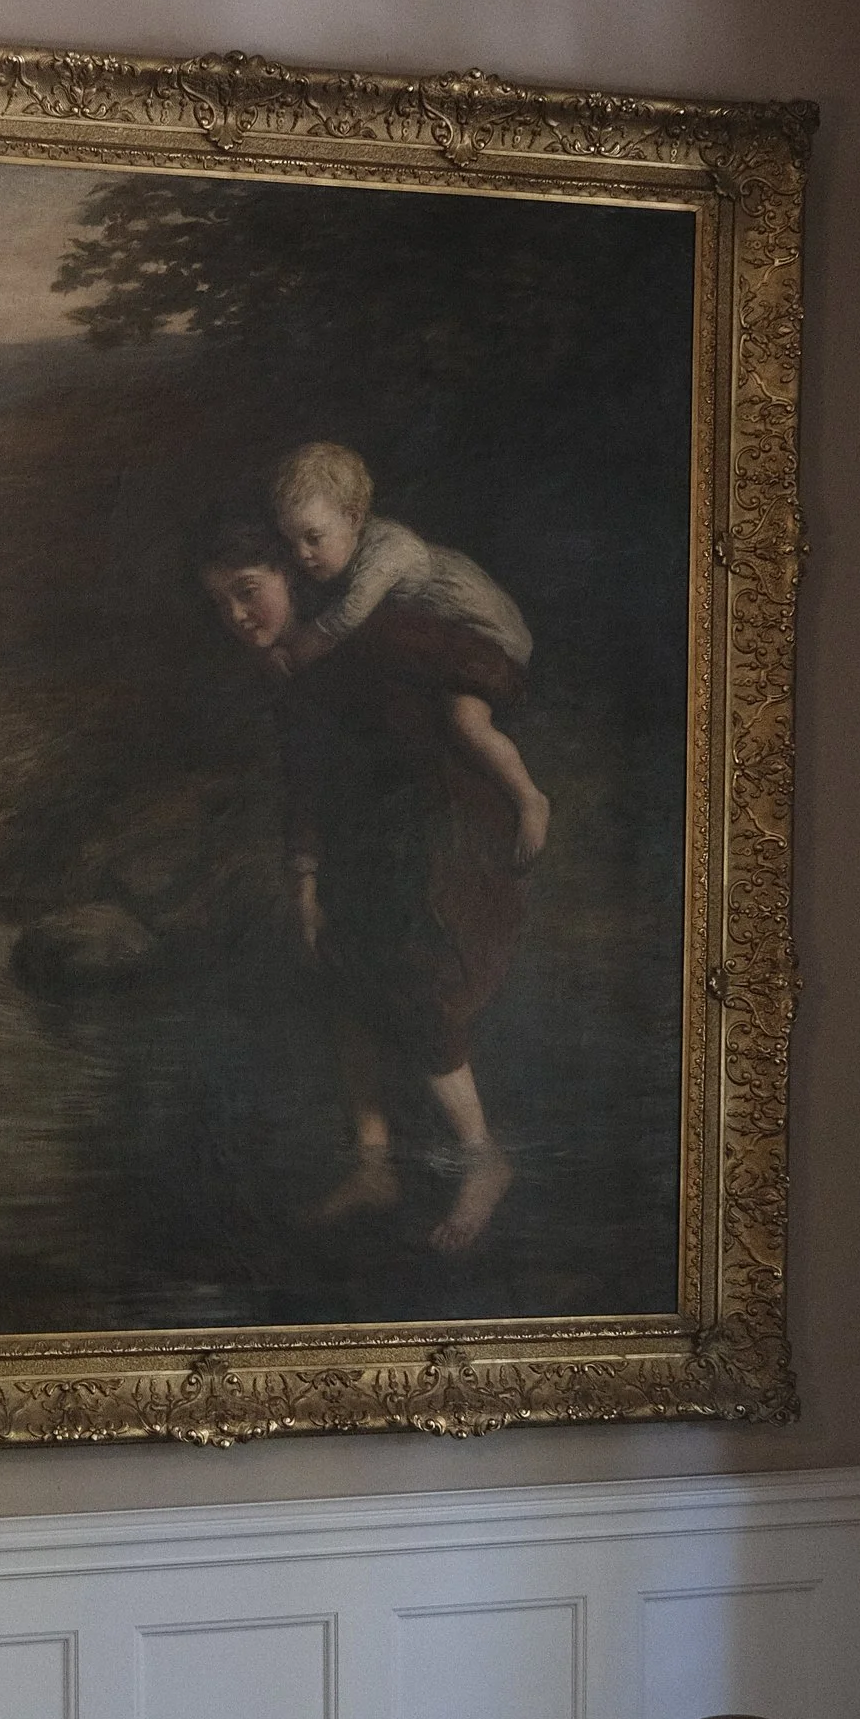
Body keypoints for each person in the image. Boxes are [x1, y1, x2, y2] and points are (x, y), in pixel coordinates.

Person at [198, 514, 537, 1256]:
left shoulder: (377, 631)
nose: (236, 616)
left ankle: (485, 1161)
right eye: (221, 605)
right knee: (341, 982)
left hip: (448, 828)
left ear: (291, 575)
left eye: (248, 592)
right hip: (365, 846)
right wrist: (306, 882)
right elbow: (304, 785)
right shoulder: (286, 673)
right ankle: (373, 1168)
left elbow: (495, 664)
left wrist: (469, 725)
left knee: (421, 982)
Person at [264, 440, 549, 858]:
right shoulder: (342, 556)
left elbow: (346, 617)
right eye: (292, 543)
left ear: (353, 518)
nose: (301, 554)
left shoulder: (391, 551)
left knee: (466, 723)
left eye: (312, 538)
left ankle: (529, 798)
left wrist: (295, 654)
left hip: (489, 641)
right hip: (444, 646)